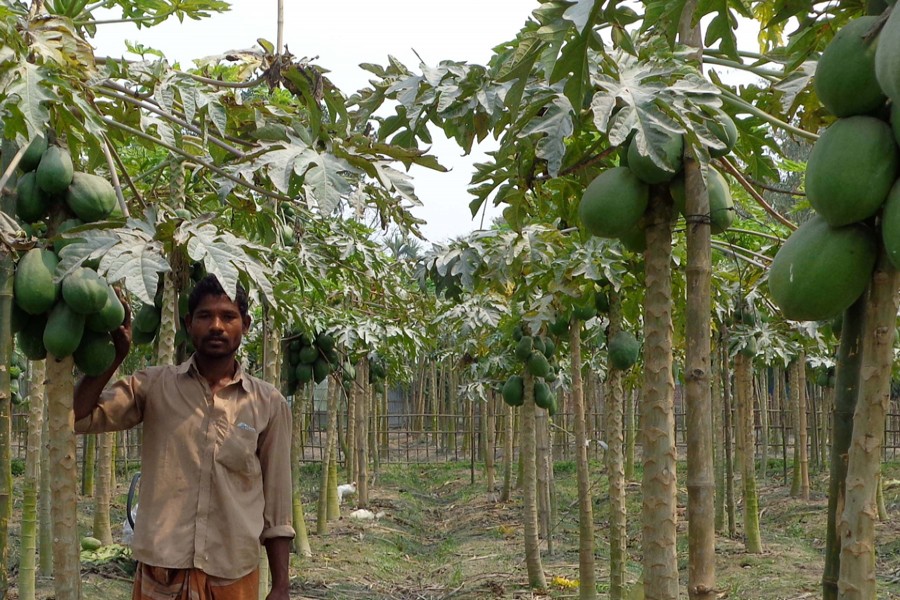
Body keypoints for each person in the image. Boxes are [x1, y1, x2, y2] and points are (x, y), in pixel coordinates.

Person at [74, 274, 294, 600]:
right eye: (205, 316)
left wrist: (281, 585)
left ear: (245, 325)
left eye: (228, 316)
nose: (216, 325)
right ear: (189, 323)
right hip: (161, 573)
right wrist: (116, 355)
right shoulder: (153, 386)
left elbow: (277, 502)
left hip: (232, 575)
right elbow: (79, 417)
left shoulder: (268, 403)